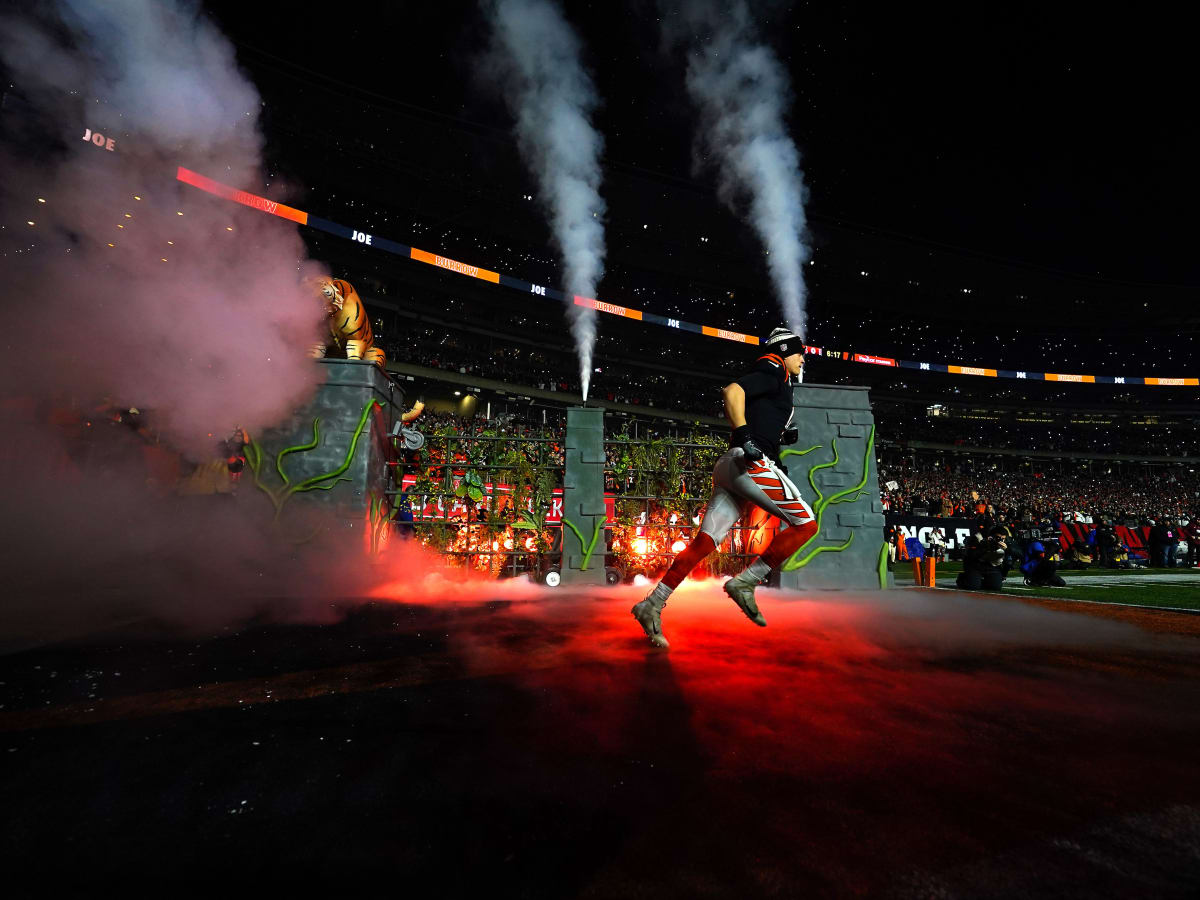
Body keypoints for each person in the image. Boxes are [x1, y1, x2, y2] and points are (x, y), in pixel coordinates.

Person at [631, 328, 817, 648]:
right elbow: (732, 391)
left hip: (731, 467)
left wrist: (772, 439)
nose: (803, 358)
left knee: (704, 543)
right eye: (799, 352)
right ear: (785, 352)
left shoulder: (778, 381)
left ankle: (652, 603)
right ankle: (745, 582)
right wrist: (747, 437)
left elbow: (756, 411)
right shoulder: (774, 367)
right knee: (806, 524)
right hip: (747, 463)